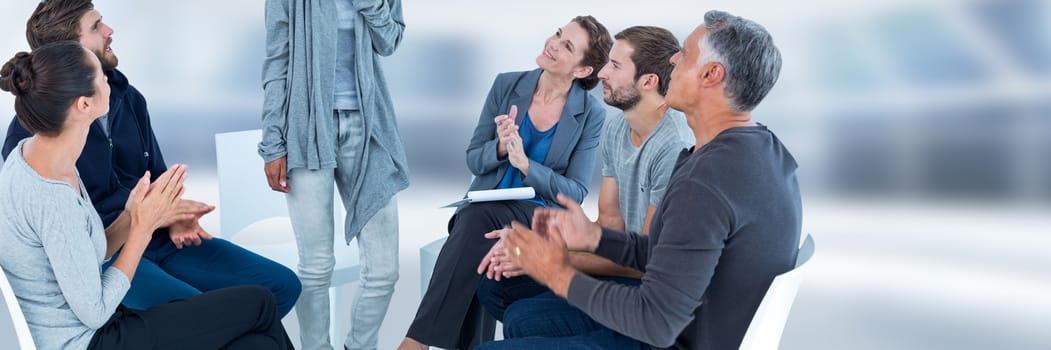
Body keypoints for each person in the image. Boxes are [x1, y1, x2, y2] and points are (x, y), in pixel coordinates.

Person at [480, 10, 801, 349]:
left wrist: (555, 270)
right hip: (686, 320)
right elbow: (671, 252)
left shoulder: (706, 181)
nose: (674, 59)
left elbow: (655, 322)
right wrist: (595, 237)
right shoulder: (760, 148)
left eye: (686, 54)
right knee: (522, 317)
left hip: (669, 336)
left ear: (711, 74)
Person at [0, 0, 301, 316]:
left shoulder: (127, 98)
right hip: (102, 256)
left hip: (158, 238)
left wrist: (173, 215)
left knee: (280, 287)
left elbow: (154, 176)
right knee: (203, 313)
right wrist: (136, 220)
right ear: (70, 53)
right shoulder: (33, 135)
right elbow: (50, 240)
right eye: (95, 26)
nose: (109, 30)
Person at [398, 16, 612, 350]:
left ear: (583, 70)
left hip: (537, 215)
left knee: (474, 222)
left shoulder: (590, 113)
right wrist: (499, 147)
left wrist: (526, 165)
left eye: (567, 45)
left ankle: (416, 342)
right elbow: (473, 158)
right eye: (558, 33)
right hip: (485, 208)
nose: (553, 43)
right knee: (480, 238)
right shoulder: (506, 85)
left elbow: (576, 191)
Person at [475, 25, 693, 322]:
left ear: (648, 81)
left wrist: (553, 259)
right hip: (620, 260)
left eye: (615, 66)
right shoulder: (618, 128)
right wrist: (536, 242)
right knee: (496, 288)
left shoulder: (673, 147)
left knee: (523, 315)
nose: (602, 73)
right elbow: (608, 223)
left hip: (648, 284)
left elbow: (649, 259)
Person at [260, 0, 408, 348]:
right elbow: (276, 60)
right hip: (307, 127)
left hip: (369, 127)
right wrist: (272, 142)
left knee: (384, 271)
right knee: (315, 266)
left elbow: (390, 41)